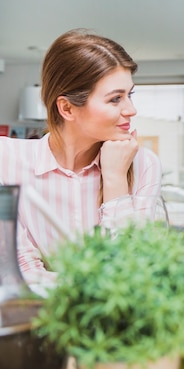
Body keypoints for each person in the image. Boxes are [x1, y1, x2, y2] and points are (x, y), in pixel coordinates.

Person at [0, 29, 162, 284]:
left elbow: (133, 274)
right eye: (115, 99)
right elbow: (18, 272)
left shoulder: (143, 164)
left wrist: (115, 179)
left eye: (129, 95)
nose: (131, 109)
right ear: (67, 108)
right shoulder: (5, 161)